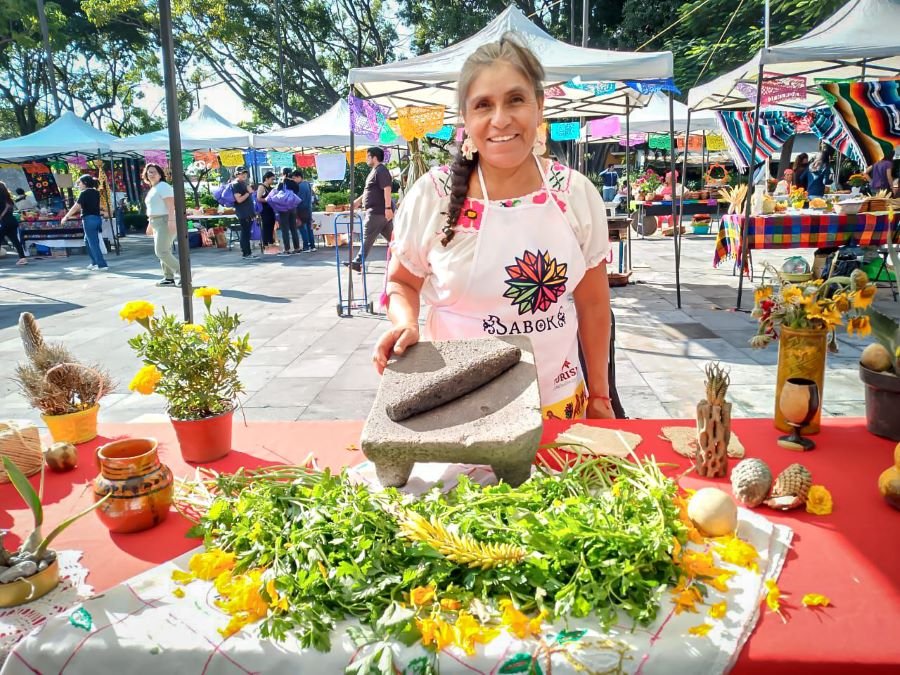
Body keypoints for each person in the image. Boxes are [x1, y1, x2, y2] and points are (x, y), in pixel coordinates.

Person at [374, 34, 614, 421]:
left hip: (558, 404)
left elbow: (594, 303)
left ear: (539, 106)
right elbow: (402, 282)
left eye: (516, 99)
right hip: (458, 408)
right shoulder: (432, 196)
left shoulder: (575, 194)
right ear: (466, 118)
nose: (500, 119)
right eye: (483, 105)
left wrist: (600, 395)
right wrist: (405, 323)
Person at [348, 146, 393, 272]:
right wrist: (358, 201)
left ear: (374, 157)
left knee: (367, 236)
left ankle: (358, 261)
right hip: (380, 212)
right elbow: (370, 190)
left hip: (377, 212)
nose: (366, 159)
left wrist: (388, 208)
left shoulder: (381, 170)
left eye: (368, 156)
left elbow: (387, 188)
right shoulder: (375, 171)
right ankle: (406, 259)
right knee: (394, 240)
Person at [142, 163, 180, 286]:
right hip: (156, 222)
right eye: (149, 172)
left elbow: (171, 206)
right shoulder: (154, 188)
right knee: (165, 250)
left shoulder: (163, 186)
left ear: (160, 174)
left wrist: (171, 221)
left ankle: (183, 272)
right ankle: (168, 278)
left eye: (154, 172)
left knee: (161, 251)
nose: (151, 174)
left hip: (165, 220)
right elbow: (153, 208)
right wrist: (150, 224)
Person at [61, 174, 108, 270]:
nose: (79, 185)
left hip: (89, 219)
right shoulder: (96, 192)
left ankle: (102, 264)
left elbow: (76, 206)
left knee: (93, 243)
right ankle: (95, 262)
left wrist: (66, 216)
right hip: (96, 219)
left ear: (85, 183)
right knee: (87, 240)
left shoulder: (84, 193)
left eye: (80, 183)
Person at [231, 167, 257, 260]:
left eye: (245, 173)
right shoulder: (236, 184)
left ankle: (248, 253)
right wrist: (248, 193)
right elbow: (239, 200)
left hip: (248, 212)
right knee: (245, 233)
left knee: (247, 233)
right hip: (243, 213)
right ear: (237, 174)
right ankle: (246, 253)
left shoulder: (243, 183)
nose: (244, 175)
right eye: (241, 173)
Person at [0, 181, 27, 265]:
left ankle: (22, 258)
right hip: (12, 221)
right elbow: (10, 207)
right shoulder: (8, 198)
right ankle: (23, 258)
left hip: (4, 222)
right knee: (15, 241)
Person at [277, 167, 301, 255]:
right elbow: (297, 192)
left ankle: (287, 249)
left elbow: (278, 193)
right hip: (293, 207)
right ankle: (297, 248)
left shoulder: (282, 183)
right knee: (293, 228)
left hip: (283, 208)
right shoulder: (294, 183)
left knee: (285, 229)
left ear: (284, 174)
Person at [293, 169, 316, 252]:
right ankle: (312, 246)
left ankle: (306, 246)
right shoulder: (307, 184)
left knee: (302, 229)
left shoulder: (299, 186)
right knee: (309, 229)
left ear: (299, 177)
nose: (294, 180)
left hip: (301, 210)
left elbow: (298, 200)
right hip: (308, 209)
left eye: (294, 178)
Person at [256, 171, 277, 250]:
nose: (273, 181)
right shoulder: (261, 187)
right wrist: (267, 200)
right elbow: (258, 198)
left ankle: (271, 242)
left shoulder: (271, 187)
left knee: (271, 226)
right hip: (264, 210)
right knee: (266, 226)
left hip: (271, 209)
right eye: (272, 179)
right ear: (266, 179)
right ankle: (265, 243)